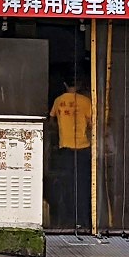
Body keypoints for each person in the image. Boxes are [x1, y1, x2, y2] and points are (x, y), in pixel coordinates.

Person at [50, 81, 93, 230]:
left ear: (64, 83)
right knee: (82, 186)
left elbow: (52, 122)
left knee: (66, 186)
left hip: (65, 149)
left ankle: (67, 221)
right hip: (83, 148)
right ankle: (83, 221)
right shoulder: (86, 101)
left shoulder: (58, 101)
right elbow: (93, 124)